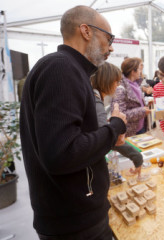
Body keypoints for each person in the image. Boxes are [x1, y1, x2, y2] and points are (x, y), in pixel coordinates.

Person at [20, 5, 127, 239]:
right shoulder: (60, 68)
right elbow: (63, 153)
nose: (110, 47)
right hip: (74, 223)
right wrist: (115, 126)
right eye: (108, 38)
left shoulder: (68, 69)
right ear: (86, 31)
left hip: (71, 216)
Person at [91, 62, 143, 175]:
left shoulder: (94, 99)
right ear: (107, 80)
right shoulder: (96, 103)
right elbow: (106, 138)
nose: (118, 85)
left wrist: (136, 156)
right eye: (116, 81)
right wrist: (117, 127)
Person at [112, 57, 150, 137]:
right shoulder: (121, 88)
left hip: (140, 127)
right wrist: (142, 111)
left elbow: (136, 104)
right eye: (139, 69)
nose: (141, 72)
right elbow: (119, 115)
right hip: (130, 132)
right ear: (133, 71)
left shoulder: (135, 84)